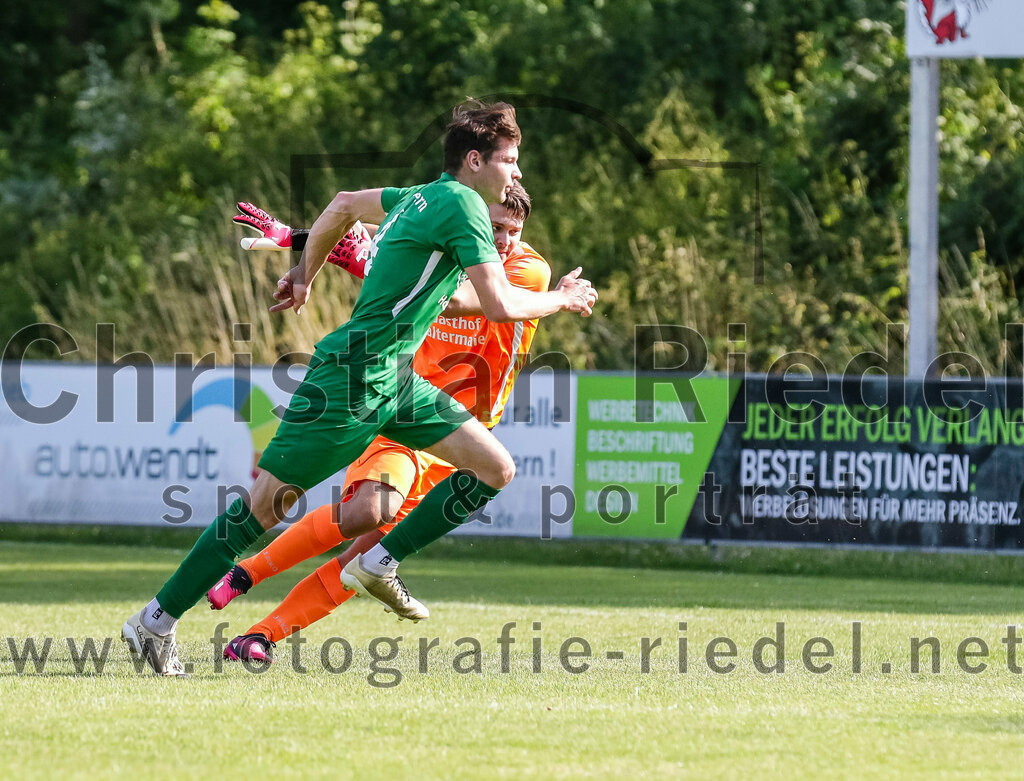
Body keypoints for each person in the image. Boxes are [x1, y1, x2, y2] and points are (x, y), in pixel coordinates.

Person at [120, 101, 598, 676]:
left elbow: (346, 206)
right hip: (351, 378)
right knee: (260, 512)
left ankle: (381, 560)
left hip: (395, 379)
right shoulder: (467, 206)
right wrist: (564, 299)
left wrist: (304, 272)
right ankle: (155, 620)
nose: (516, 173)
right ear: (476, 161)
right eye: (510, 161)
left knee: (495, 468)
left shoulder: (422, 196)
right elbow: (499, 305)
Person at [209, 184, 548, 662]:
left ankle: (258, 637)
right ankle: (245, 573)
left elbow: (461, 294)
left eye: (512, 230)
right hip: (405, 408)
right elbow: (390, 236)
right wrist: (300, 238)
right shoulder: (450, 245)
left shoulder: (527, 270)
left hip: (460, 435)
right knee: (366, 512)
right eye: (493, 227)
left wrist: (334, 250)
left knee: (362, 561)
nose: (503, 239)